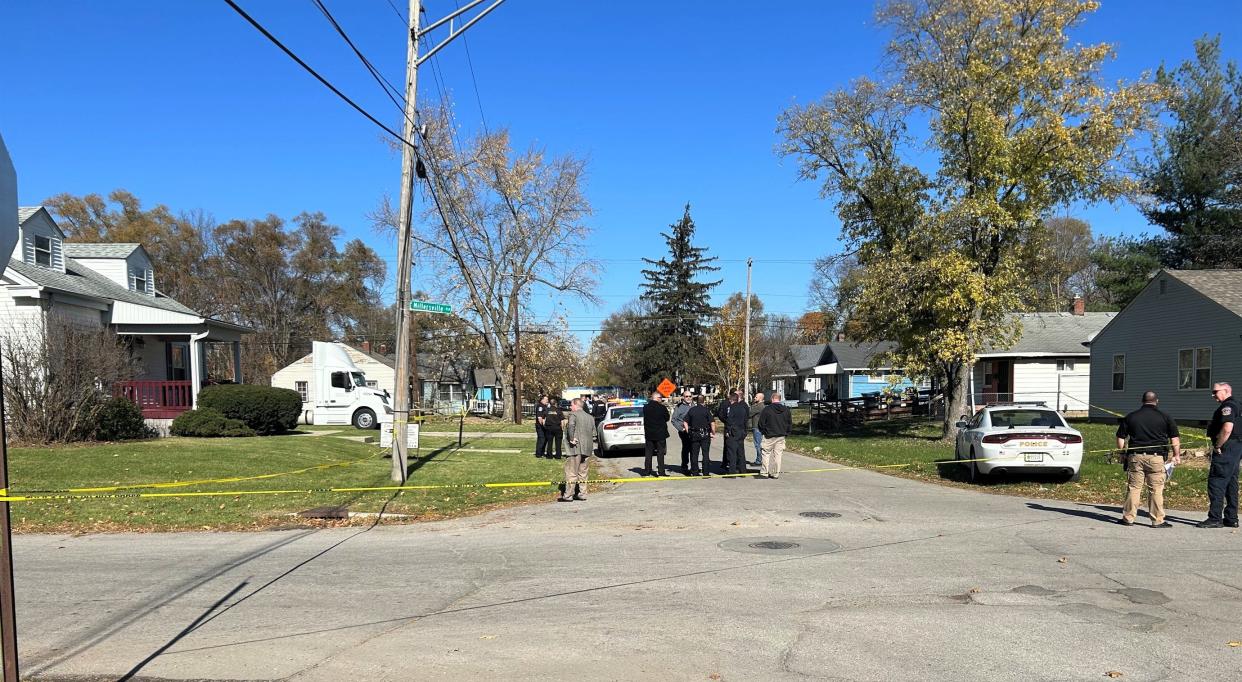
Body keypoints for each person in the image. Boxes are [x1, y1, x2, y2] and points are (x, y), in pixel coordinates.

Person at [1115, 390, 1181, 528]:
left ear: (1142, 401)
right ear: (1157, 401)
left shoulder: (1131, 416)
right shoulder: (1165, 417)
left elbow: (1120, 437)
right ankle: (1157, 520)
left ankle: (1128, 518)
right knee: (1156, 489)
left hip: (1135, 457)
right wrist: (1176, 455)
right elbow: (1174, 439)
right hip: (1156, 458)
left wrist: (1122, 453)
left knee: (1134, 487)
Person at [1200, 382, 1240, 528]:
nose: (1213, 395)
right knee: (1231, 482)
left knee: (1217, 481)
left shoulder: (1228, 406)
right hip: (1236, 448)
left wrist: (1218, 444)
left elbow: (1227, 428)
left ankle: (1215, 518)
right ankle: (1231, 518)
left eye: (1215, 392)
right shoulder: (1238, 405)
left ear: (1226, 390)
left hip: (1227, 447)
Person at [562, 398, 595, 502]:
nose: (570, 407)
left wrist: (571, 438)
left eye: (571, 405)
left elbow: (571, 426)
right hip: (587, 448)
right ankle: (582, 493)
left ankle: (568, 495)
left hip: (576, 448)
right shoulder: (590, 417)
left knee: (571, 472)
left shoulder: (573, 415)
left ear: (576, 405)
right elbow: (594, 433)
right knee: (583, 473)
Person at [757, 392, 793, 479]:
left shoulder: (767, 409)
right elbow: (789, 423)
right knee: (778, 455)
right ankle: (775, 473)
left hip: (769, 435)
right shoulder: (786, 410)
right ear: (780, 399)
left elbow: (761, 423)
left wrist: (763, 431)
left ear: (772, 399)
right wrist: (787, 432)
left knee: (766, 453)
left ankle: (765, 472)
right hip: (781, 435)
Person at [720, 390, 751, 474]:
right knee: (741, 452)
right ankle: (743, 471)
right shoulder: (743, 408)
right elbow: (746, 420)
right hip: (741, 432)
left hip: (733, 432)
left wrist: (727, 431)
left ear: (731, 400)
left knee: (732, 452)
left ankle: (732, 472)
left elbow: (729, 421)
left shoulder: (731, 408)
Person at [684, 395, 716, 476]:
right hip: (705, 434)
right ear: (703, 401)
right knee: (705, 454)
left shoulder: (692, 410)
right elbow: (712, 423)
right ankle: (706, 472)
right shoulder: (706, 410)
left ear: (696, 401)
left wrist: (688, 431)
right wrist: (713, 432)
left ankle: (695, 472)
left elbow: (685, 422)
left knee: (694, 454)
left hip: (694, 434)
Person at [642, 390, 671, 477]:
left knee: (648, 453)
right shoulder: (662, 408)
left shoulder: (645, 407)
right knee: (660, 453)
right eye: (660, 398)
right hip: (660, 434)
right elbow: (667, 418)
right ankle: (661, 472)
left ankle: (647, 472)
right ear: (657, 398)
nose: (661, 399)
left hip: (649, 434)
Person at [671, 391, 693, 473]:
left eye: (690, 396)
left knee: (694, 449)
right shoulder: (679, 407)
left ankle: (694, 466)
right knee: (686, 448)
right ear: (683, 397)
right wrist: (681, 428)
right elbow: (673, 420)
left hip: (694, 431)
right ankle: (684, 466)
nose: (688, 398)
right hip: (684, 432)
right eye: (686, 396)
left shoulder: (694, 405)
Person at [748, 392, 767, 467]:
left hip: (757, 427)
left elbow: (749, 413)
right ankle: (760, 459)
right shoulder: (760, 406)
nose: (754, 398)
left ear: (760, 398)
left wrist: (752, 405)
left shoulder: (759, 406)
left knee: (757, 444)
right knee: (758, 444)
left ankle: (759, 460)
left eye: (756, 397)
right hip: (758, 427)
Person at [543, 394, 564, 459]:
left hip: (549, 427)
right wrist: (562, 427)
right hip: (557, 428)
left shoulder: (547, 410)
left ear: (550, 403)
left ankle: (549, 455)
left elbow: (543, 419)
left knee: (549, 442)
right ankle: (558, 455)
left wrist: (545, 426)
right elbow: (562, 421)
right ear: (555, 403)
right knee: (558, 442)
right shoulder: (559, 410)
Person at [534, 394, 550, 458]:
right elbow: (539, 417)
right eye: (546, 399)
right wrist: (543, 425)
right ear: (542, 399)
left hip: (544, 426)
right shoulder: (540, 406)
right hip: (540, 426)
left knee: (545, 439)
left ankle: (542, 452)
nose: (547, 400)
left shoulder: (545, 406)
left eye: (547, 399)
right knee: (541, 439)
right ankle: (538, 454)